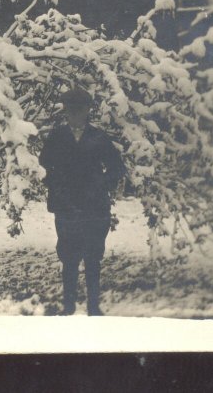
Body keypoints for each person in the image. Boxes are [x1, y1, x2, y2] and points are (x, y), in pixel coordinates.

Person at [39, 88, 125, 316]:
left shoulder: (98, 137)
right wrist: (58, 188)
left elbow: (117, 168)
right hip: (67, 207)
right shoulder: (57, 137)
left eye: (81, 110)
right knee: (68, 257)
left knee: (93, 256)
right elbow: (44, 166)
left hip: (94, 207)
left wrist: (100, 184)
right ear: (66, 111)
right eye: (71, 110)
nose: (76, 115)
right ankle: (68, 308)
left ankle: (93, 308)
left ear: (88, 111)